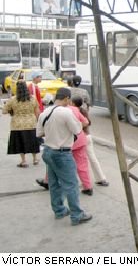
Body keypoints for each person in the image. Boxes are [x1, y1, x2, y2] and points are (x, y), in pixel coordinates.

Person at [36, 87, 92, 225]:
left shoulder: (45, 112)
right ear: (67, 98)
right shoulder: (66, 112)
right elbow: (77, 130)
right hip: (62, 153)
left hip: (48, 151)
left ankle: (59, 210)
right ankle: (77, 215)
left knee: (54, 184)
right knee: (71, 184)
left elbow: (39, 134)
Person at [72, 95, 109, 187]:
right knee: (93, 158)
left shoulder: (73, 112)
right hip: (88, 136)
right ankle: (101, 178)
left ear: (73, 103)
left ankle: (78, 180)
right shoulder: (83, 110)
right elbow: (89, 122)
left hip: (79, 138)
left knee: (77, 160)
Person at [2, 81, 41, 167]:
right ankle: (35, 159)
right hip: (31, 123)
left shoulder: (13, 99)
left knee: (20, 143)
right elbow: (37, 112)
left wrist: (11, 111)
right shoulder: (32, 98)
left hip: (17, 125)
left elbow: (4, 111)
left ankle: (24, 161)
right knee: (32, 142)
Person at [69, 96, 93, 195]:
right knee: (82, 164)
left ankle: (49, 182)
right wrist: (78, 126)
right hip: (80, 139)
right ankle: (88, 187)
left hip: (65, 142)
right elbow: (86, 122)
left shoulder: (61, 110)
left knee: (58, 163)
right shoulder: (77, 110)